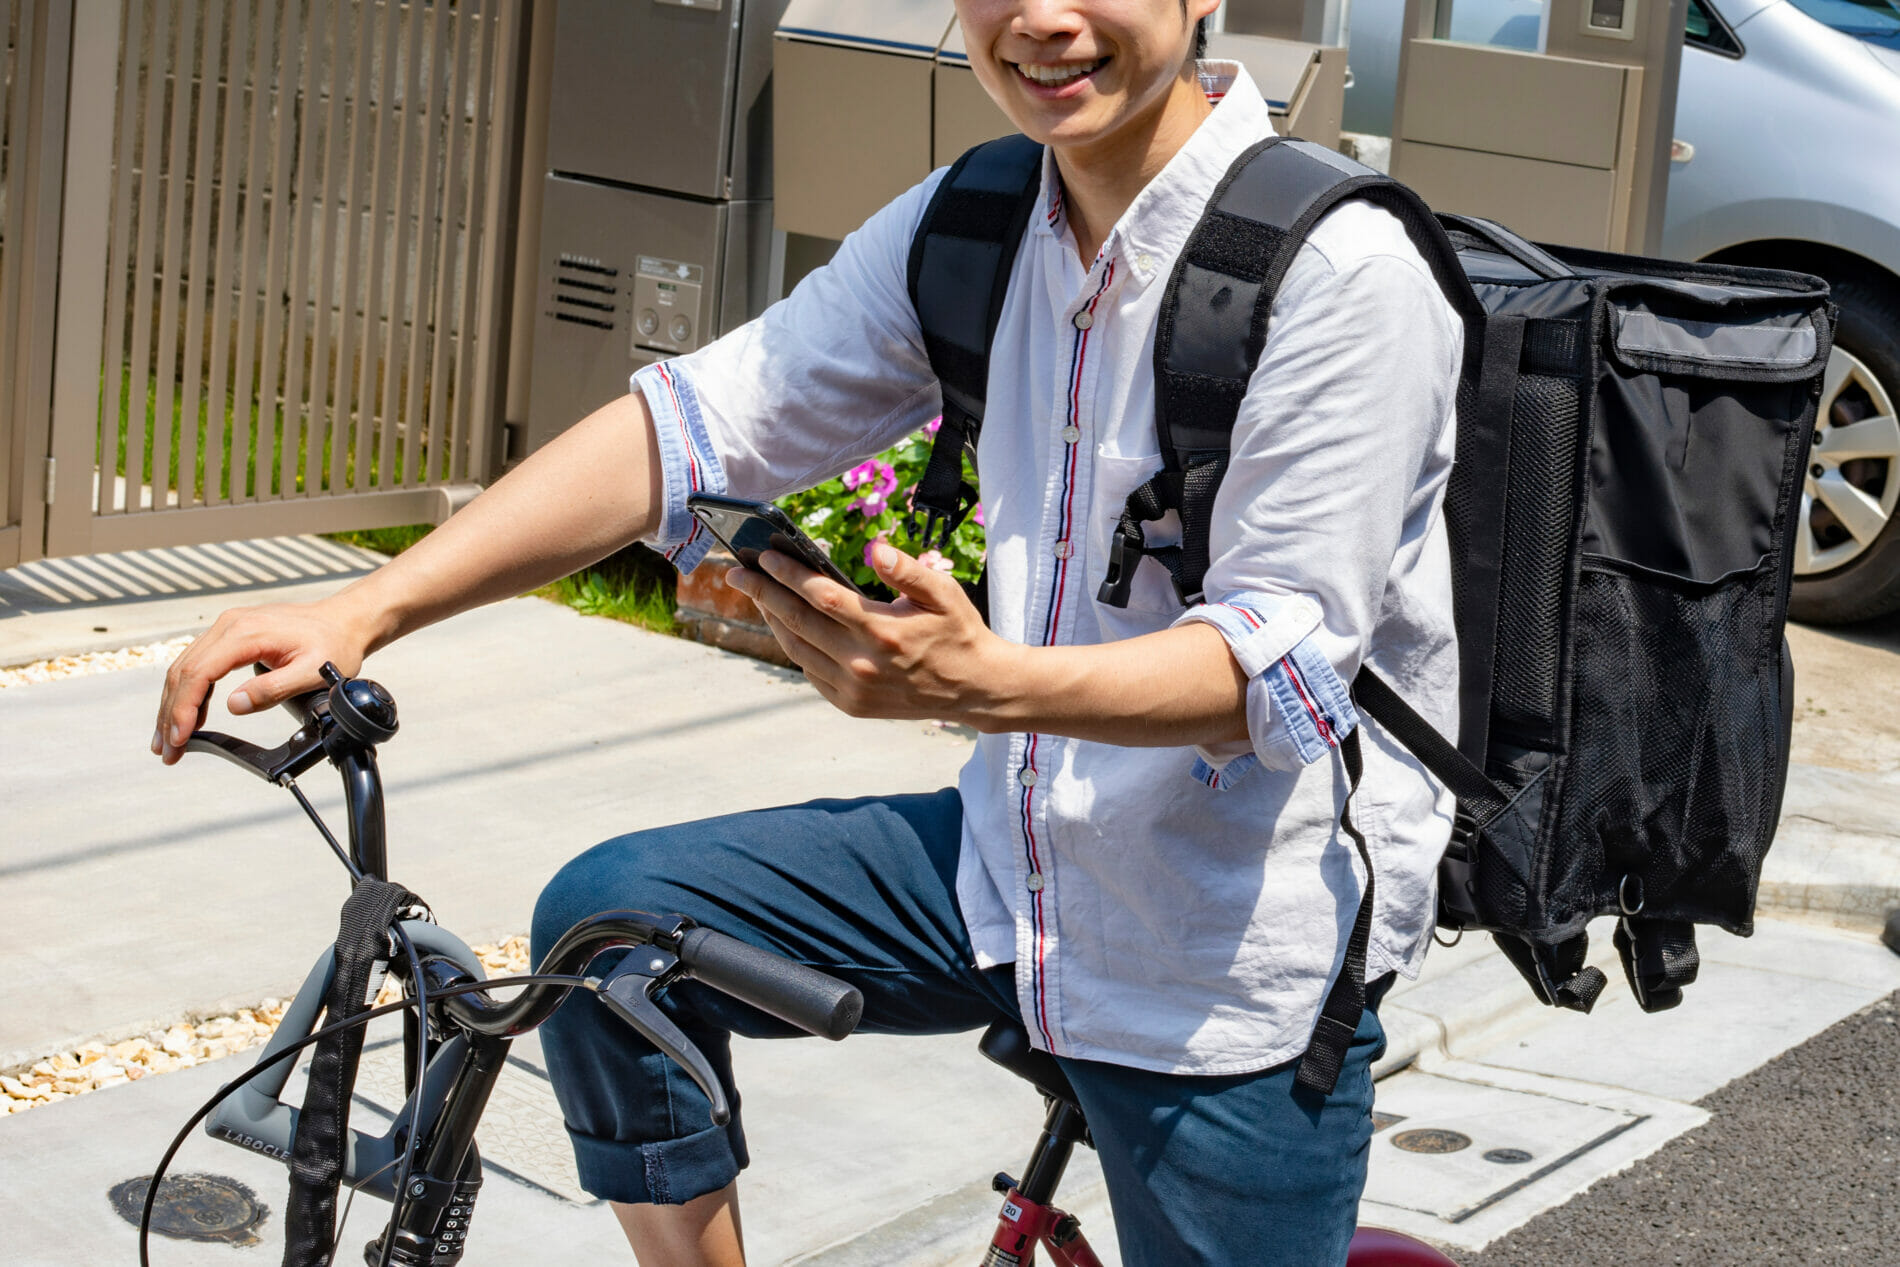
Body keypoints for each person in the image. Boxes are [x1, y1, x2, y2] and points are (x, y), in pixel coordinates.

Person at [153, 2, 1462, 1262]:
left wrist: (991, 684)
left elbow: (1279, 663)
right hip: (1013, 866)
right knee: (609, 938)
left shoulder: (1340, 271)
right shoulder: (984, 221)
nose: (1045, 20)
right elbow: (693, 427)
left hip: (1227, 952)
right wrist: (363, 607)